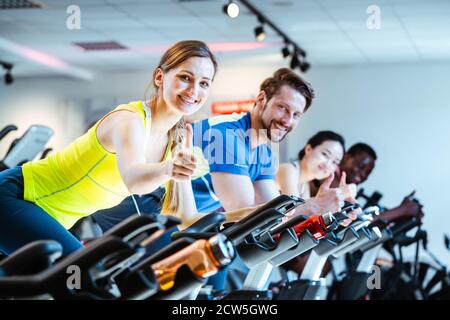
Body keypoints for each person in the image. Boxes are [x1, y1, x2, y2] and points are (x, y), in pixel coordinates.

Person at [0, 40, 217, 257]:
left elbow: (186, 216)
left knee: (73, 280)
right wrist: (167, 168)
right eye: (185, 78)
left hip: (49, 216)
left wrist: (244, 216)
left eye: (204, 83)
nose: (193, 90)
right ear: (160, 77)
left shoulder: (177, 140)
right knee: (81, 271)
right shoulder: (129, 120)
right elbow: (134, 180)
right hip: (17, 197)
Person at [276, 130, 357, 225]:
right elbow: (290, 212)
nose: (327, 164)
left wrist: (337, 214)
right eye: (325, 154)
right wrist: (336, 195)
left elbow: (299, 221)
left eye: (335, 162)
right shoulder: (288, 169)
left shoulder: (304, 186)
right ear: (308, 149)